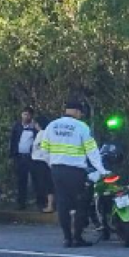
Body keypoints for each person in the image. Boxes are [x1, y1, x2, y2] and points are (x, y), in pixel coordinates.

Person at [41, 100, 108, 247]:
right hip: (76, 171)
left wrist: (52, 164)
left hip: (57, 170)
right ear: (78, 112)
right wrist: (102, 171)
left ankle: (66, 238)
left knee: (63, 204)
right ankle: (77, 237)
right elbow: (92, 152)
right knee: (81, 204)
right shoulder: (81, 126)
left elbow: (44, 150)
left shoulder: (52, 126)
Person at [9, 107, 41, 210]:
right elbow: (13, 141)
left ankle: (40, 202)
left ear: (31, 116)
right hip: (20, 157)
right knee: (21, 180)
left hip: (31, 157)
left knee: (37, 180)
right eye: (24, 114)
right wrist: (12, 155)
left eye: (27, 114)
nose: (25, 117)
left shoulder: (34, 127)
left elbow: (40, 138)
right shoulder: (17, 126)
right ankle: (21, 203)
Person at [30, 116, 54, 213]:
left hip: (42, 161)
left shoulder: (44, 134)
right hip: (37, 161)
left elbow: (43, 149)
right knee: (41, 184)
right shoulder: (39, 133)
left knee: (46, 184)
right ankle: (45, 204)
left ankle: (49, 205)